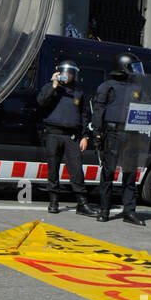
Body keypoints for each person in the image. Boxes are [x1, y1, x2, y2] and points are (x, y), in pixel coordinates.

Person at [91, 52, 147, 226]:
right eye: (133, 67)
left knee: (130, 176)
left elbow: (144, 111)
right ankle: (104, 210)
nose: (137, 72)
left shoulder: (138, 89)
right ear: (123, 67)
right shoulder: (107, 86)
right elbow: (99, 111)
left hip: (132, 134)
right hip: (113, 133)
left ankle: (129, 212)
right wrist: (97, 133)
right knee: (108, 173)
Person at [36, 61, 95, 215]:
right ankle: (53, 202)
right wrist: (53, 84)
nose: (67, 75)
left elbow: (84, 115)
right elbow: (41, 101)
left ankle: (82, 204)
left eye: (70, 73)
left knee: (76, 169)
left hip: (72, 136)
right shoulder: (52, 87)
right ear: (59, 72)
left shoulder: (78, 90)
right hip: (53, 134)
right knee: (53, 169)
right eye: (64, 72)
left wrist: (85, 136)